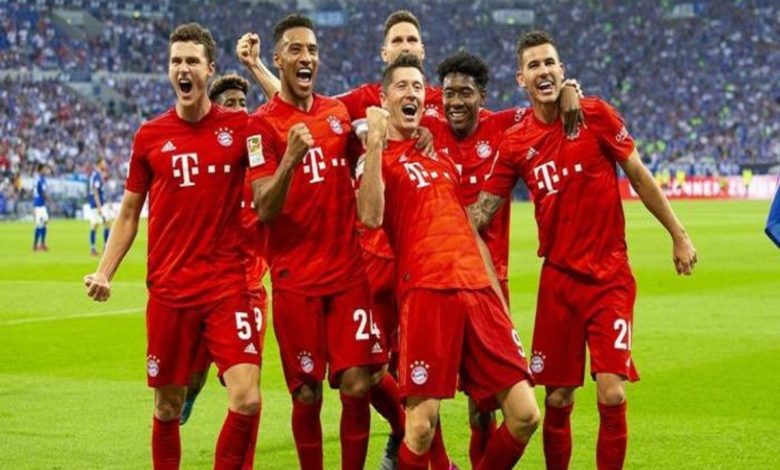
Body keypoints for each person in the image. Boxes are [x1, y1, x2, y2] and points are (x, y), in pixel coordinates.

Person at [470, 31, 698, 469]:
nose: (543, 71)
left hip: (610, 277)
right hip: (558, 282)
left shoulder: (596, 115)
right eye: (533, 65)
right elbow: (481, 213)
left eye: (549, 63)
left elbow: (638, 173)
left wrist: (678, 233)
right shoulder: (515, 143)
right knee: (557, 398)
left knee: (611, 392)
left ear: (562, 70)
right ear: (521, 78)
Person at [83, 23, 262, 469]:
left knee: (247, 397)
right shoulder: (149, 135)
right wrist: (105, 271)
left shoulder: (240, 127)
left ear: (209, 69)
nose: (183, 69)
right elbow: (128, 213)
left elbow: (291, 114)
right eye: (175, 61)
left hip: (226, 288)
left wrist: (257, 66)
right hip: (169, 292)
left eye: (192, 61)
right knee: (167, 407)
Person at [358, 53, 540, 470]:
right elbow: (369, 215)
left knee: (525, 414)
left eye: (417, 87)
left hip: (479, 292)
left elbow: (470, 232)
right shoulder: (376, 157)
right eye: (401, 86)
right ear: (384, 99)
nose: (411, 93)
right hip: (426, 289)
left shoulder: (440, 155)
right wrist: (375, 141)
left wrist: (499, 302)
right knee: (420, 427)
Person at [247, 15, 385, 470]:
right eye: (296, 49)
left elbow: (369, 169)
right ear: (278, 59)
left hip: (347, 275)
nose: (306, 57)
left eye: (312, 50)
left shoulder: (337, 114)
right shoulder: (260, 127)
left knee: (358, 384)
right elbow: (264, 208)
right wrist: (290, 159)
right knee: (306, 393)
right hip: (295, 280)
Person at [178, 72, 269, 470]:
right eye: (229, 104)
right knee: (192, 377)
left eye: (242, 103)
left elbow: (290, 111)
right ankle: (191, 391)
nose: (238, 109)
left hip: (247, 290)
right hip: (204, 286)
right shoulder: (208, 160)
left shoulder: (261, 158)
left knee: (248, 394)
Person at [87, 158, 112, 256]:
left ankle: (104, 247)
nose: (105, 165)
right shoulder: (96, 175)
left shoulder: (97, 175)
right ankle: (94, 248)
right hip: (96, 204)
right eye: (103, 163)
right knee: (95, 225)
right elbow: (95, 191)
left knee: (106, 223)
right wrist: (99, 207)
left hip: (98, 203)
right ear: (99, 164)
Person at [32, 163, 50, 251]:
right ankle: (35, 245)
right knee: (40, 225)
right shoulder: (41, 179)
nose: (46, 170)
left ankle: (42, 243)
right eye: (45, 169)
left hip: (40, 204)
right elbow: (43, 192)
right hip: (39, 205)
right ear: (41, 170)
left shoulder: (37, 179)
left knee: (44, 223)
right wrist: (51, 201)